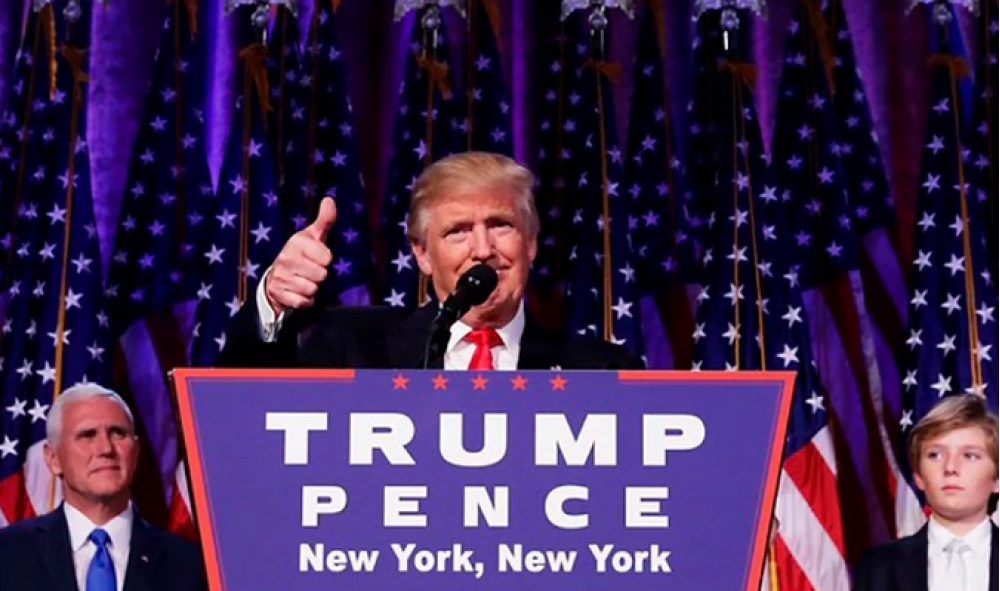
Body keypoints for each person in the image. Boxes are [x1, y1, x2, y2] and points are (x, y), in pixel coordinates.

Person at [217, 151, 644, 370]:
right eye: (458, 231)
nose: (482, 249)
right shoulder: (354, 349)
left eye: (500, 225)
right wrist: (272, 301)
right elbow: (246, 406)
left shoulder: (602, 371)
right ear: (421, 254)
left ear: (530, 243)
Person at [0, 384, 209, 591]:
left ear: (136, 451)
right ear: (53, 458)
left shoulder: (190, 564)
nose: (106, 449)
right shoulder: (8, 553)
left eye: (118, 433)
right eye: (88, 435)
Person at [852, 394, 999, 591]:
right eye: (935, 455)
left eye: (969, 455)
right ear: (919, 476)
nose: (950, 467)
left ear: (997, 479)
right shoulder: (877, 567)